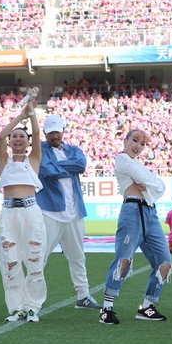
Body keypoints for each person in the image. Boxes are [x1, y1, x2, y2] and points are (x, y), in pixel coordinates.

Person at [99, 130, 172, 325]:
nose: (138, 146)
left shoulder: (135, 164)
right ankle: (106, 309)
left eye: (142, 143)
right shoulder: (122, 159)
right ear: (125, 140)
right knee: (123, 260)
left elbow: (159, 186)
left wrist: (150, 184)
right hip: (132, 211)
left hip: (150, 213)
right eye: (135, 140)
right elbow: (151, 182)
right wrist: (151, 184)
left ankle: (147, 305)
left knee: (165, 262)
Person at [36, 115, 101, 311]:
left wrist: (57, 168)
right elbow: (46, 170)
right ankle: (31, 301)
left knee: (77, 257)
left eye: (57, 131)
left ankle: (83, 295)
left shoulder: (74, 149)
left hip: (74, 213)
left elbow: (80, 165)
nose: (55, 135)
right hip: (50, 212)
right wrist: (67, 168)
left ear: (63, 131)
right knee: (39, 257)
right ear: (45, 132)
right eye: (51, 132)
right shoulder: (40, 150)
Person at [0, 96, 46, 323]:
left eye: (22, 137)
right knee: (10, 261)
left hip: (30, 213)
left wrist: (32, 114)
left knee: (34, 261)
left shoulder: (33, 159)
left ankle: (33, 307)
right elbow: (0, 136)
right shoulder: (4, 161)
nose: (17, 138)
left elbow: (37, 135)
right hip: (8, 214)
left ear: (27, 143)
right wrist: (21, 117)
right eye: (14, 136)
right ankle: (16, 308)